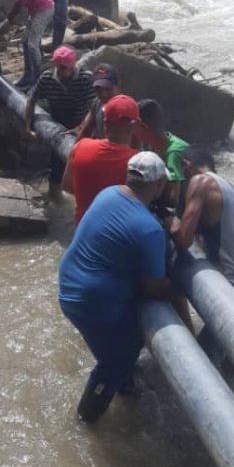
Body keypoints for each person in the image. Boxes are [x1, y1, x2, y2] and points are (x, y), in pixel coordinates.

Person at [59, 152, 174, 423]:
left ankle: (124, 386)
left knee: (124, 344)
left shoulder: (108, 194)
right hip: (93, 301)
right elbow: (153, 287)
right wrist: (179, 288)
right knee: (116, 361)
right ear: (159, 184)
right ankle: (87, 419)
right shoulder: (150, 229)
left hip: (69, 285)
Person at [171, 146, 234, 361]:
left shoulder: (200, 183)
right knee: (232, 358)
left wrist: (171, 223)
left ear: (187, 166)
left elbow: (184, 239)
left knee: (204, 359)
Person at [24, 45, 95, 198]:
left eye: (67, 68)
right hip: (57, 127)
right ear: (55, 65)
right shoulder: (47, 78)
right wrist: (28, 127)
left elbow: (93, 108)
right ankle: (56, 199)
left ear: (73, 65)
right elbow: (31, 100)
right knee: (56, 167)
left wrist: (80, 128)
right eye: (61, 68)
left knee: (82, 166)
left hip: (80, 124)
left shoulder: (85, 78)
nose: (64, 72)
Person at [62, 94, 140, 223]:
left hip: (83, 227)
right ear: (136, 124)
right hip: (118, 231)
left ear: (105, 123)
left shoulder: (80, 146)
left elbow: (67, 186)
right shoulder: (138, 162)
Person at [0, 0, 54, 89]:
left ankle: (37, 81)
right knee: (25, 40)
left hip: (44, 8)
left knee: (33, 45)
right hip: (35, 9)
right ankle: (28, 76)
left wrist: (9, 19)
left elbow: (19, 2)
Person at [134, 99, 189, 210]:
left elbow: (173, 199)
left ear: (143, 127)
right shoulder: (156, 145)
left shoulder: (174, 153)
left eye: (134, 126)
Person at [77, 64, 121, 140]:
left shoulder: (125, 107)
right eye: (99, 90)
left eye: (107, 89)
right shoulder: (97, 103)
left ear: (118, 86)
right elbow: (86, 130)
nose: (103, 94)